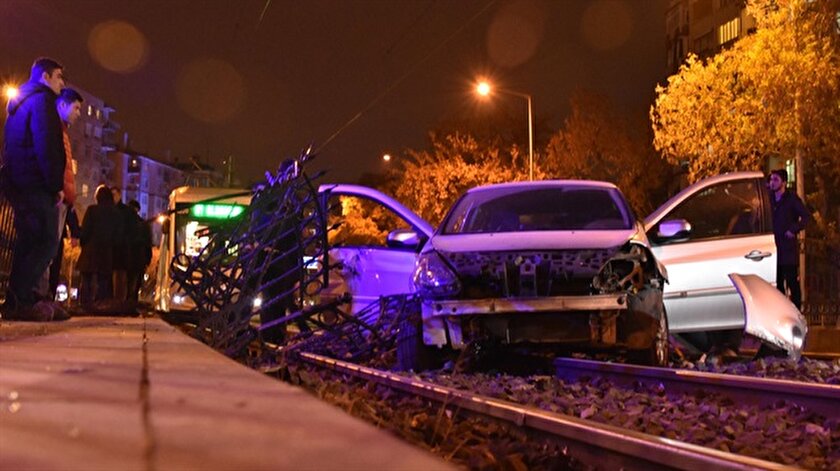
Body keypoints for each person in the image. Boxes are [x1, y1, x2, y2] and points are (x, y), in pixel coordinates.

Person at [0, 57, 69, 321]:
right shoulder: (42, 102)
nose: (62, 83)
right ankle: (21, 298)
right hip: (36, 183)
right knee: (46, 242)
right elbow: (47, 145)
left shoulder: (19, 104)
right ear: (45, 77)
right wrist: (55, 185)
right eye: (59, 77)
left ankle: (19, 298)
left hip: (19, 181)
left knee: (28, 241)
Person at [39, 87, 83, 299]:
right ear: (63, 105)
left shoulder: (62, 130)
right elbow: (53, 161)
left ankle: (42, 295)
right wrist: (58, 188)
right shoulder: (53, 128)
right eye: (76, 107)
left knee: (50, 249)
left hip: (63, 196)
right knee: (46, 249)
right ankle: (38, 295)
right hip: (57, 196)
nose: (79, 113)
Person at [767, 169, 809, 309]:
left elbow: (805, 217)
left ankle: (797, 312)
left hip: (788, 249)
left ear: (783, 183)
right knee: (777, 284)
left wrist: (793, 229)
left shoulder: (791, 199)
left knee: (792, 282)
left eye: (776, 180)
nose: (772, 183)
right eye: (771, 179)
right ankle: (780, 312)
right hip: (773, 248)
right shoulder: (769, 198)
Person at [78, 185, 118, 308]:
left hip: (91, 249)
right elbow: (118, 232)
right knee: (104, 279)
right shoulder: (115, 212)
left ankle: (85, 303)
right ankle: (102, 303)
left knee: (87, 277)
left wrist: (83, 243)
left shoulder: (92, 210)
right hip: (107, 250)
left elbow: (85, 231)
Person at [125, 200, 152, 303]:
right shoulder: (143, 224)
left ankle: (127, 301)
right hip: (140, 258)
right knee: (136, 283)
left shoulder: (124, 223)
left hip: (127, 258)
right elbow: (148, 243)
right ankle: (133, 301)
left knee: (128, 282)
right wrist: (148, 259)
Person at [111, 187, 133, 301]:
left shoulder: (125, 211)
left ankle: (120, 300)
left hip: (121, 249)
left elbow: (129, 230)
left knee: (120, 276)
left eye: (115, 195)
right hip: (112, 250)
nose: (113, 197)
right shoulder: (110, 210)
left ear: (119, 195)